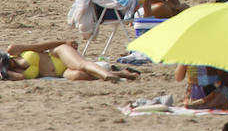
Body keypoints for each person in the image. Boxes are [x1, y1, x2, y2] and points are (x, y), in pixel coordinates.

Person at [1, 40, 140, 82]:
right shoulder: (12, 73)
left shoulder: (13, 49)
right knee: (78, 76)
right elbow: (19, 77)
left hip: (57, 54)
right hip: (61, 72)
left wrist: (64, 42)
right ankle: (121, 73)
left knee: (80, 65)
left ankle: (107, 75)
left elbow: (39, 47)